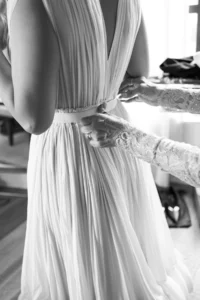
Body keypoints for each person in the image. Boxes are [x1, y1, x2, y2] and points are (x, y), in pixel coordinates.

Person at [0, 0, 193, 299]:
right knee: (124, 254)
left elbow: (34, 118)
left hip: (70, 148)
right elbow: (138, 71)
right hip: (118, 134)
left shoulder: (31, 4)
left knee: (85, 260)